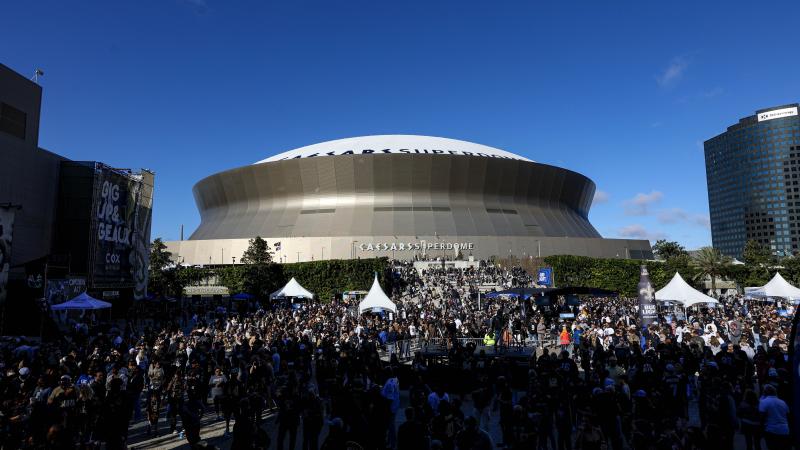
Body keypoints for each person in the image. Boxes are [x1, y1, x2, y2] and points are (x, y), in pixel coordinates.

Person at [758, 385, 790, 450]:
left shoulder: (764, 402)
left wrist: (761, 430)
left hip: (771, 430)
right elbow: (788, 415)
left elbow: (761, 417)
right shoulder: (783, 402)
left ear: (764, 392)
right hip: (785, 430)